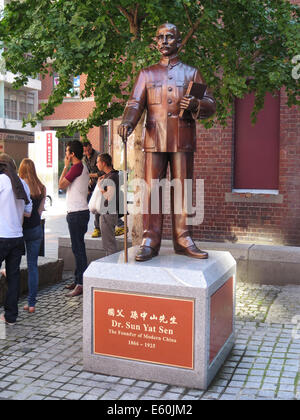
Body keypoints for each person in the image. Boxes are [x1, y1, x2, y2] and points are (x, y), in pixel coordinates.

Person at [118, 23, 216, 262]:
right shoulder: (146, 74)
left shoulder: (192, 73)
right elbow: (134, 103)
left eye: (169, 37)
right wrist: (128, 122)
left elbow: (211, 104)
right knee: (152, 191)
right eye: (160, 37)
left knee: (183, 189)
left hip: (183, 138)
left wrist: (196, 105)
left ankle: (183, 237)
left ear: (179, 42)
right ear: (155, 42)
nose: (164, 41)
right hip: (154, 138)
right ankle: (150, 238)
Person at [0, 153, 32, 325]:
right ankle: (11, 317)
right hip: (17, 237)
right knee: (13, 278)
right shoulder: (23, 185)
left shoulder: (1, 181)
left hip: (1, 235)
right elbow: (28, 212)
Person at [59, 140, 90, 297]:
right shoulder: (82, 167)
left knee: (78, 249)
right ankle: (78, 279)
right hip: (80, 212)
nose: (65, 154)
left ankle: (81, 283)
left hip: (76, 213)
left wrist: (65, 166)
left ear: (72, 154)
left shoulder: (76, 167)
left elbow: (61, 185)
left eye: (67, 151)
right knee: (78, 248)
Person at [19, 158, 46, 314]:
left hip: (21, 229)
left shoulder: (20, 187)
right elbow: (40, 211)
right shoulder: (42, 187)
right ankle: (31, 304)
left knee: (13, 260)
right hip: (37, 228)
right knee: (32, 266)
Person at [96, 153, 120, 256]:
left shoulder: (112, 177)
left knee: (109, 244)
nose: (96, 164)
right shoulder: (110, 176)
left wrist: (100, 187)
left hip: (108, 213)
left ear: (103, 163)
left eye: (98, 162)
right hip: (108, 212)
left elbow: (109, 197)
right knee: (108, 243)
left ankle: (112, 266)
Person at [82, 140, 102, 238]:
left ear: (91, 146)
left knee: (98, 207)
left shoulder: (98, 156)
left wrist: (89, 175)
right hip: (92, 185)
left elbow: (101, 172)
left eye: (88, 150)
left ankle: (98, 228)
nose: (87, 153)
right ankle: (97, 227)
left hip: (101, 185)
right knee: (92, 207)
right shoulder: (85, 159)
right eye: (85, 151)